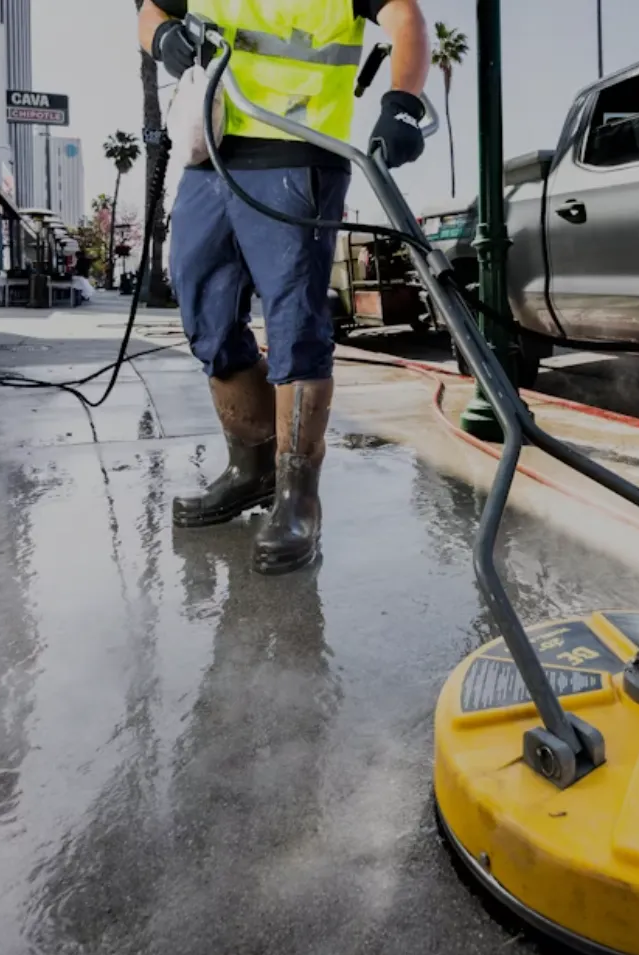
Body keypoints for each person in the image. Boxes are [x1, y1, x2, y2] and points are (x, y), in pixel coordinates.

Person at [138, 0, 429, 574]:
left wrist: (404, 102)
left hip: (302, 150)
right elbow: (150, 11)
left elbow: (405, 16)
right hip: (211, 151)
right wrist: (166, 36)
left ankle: (299, 495)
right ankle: (252, 471)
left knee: (294, 321)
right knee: (205, 313)